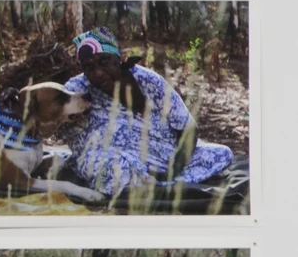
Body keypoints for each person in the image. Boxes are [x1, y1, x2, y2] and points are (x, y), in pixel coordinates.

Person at [59, 30, 235, 202]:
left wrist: (173, 169)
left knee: (221, 154)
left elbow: (188, 128)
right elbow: (52, 118)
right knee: (111, 170)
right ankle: (149, 183)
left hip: (163, 158)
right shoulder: (76, 90)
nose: (97, 73)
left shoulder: (148, 81)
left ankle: (152, 183)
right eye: (89, 67)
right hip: (110, 158)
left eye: (103, 62)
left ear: (118, 59)